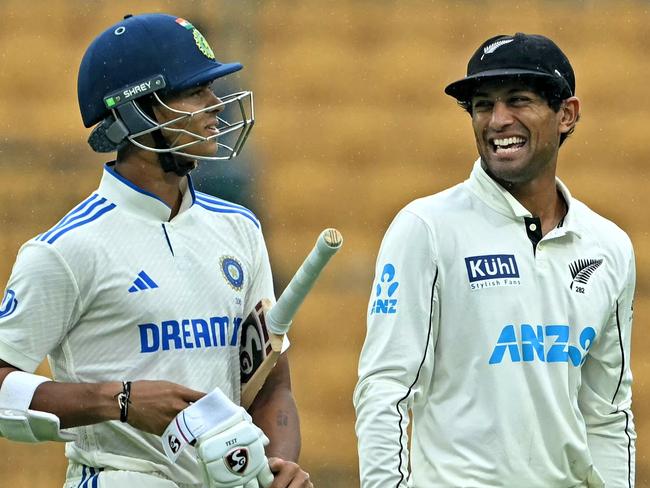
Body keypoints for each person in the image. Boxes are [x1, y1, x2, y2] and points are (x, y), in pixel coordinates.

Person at [0, 13, 312, 488]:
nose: (216, 106)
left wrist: (279, 466)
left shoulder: (240, 229)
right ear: (134, 112)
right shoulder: (65, 249)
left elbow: (271, 385)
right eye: (194, 92)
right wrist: (120, 401)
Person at [354, 32, 635, 487]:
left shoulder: (608, 246)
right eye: (483, 105)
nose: (498, 120)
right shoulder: (426, 227)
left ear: (567, 114)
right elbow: (385, 391)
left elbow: (606, 414)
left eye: (518, 100)